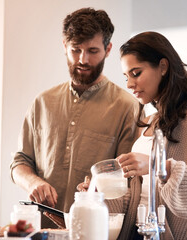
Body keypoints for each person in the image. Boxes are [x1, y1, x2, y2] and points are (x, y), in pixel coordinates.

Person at [78, 31, 187, 240]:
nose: (129, 84)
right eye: (126, 77)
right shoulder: (151, 122)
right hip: (139, 232)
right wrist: (98, 195)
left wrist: (157, 166)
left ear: (163, 67)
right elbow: (140, 196)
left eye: (136, 73)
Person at [10, 7, 139, 228]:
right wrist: (33, 182)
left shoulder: (128, 107)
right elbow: (20, 162)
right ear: (64, 46)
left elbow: (128, 179)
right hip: (40, 230)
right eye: (75, 50)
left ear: (108, 49)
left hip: (95, 231)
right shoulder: (42, 102)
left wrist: (99, 187)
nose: (83, 59)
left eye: (92, 50)